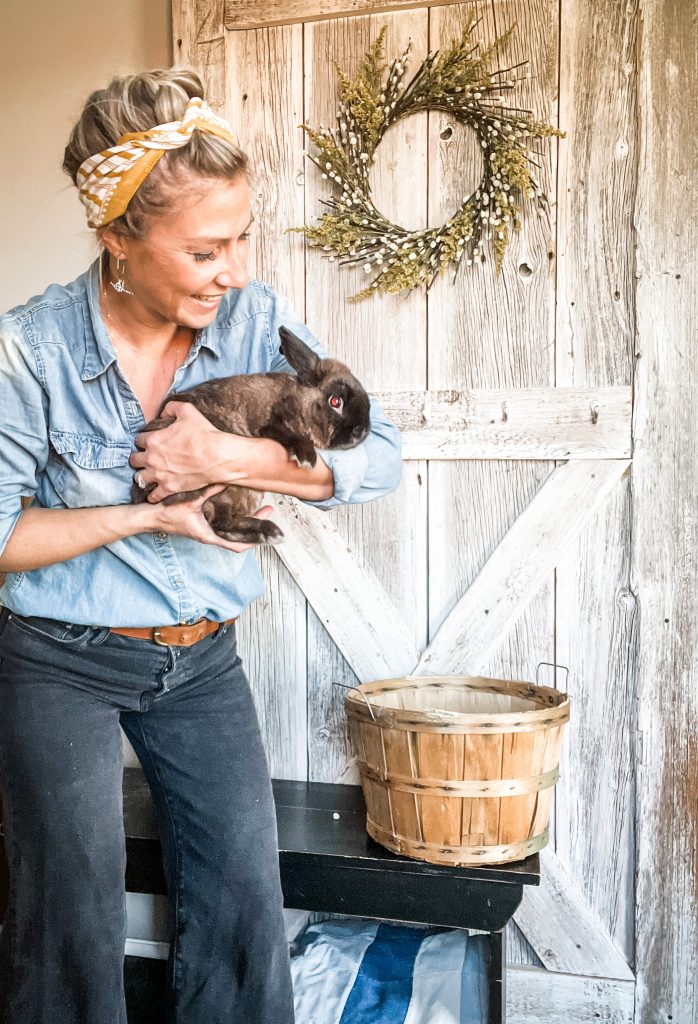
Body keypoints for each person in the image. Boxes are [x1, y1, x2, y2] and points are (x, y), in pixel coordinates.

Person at [0, 68, 401, 1024]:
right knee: (69, 918)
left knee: (242, 909)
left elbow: (377, 459)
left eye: (240, 241)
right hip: (61, 661)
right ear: (119, 241)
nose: (232, 270)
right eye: (205, 249)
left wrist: (230, 456)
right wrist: (149, 512)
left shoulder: (254, 319)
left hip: (202, 661)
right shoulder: (30, 353)